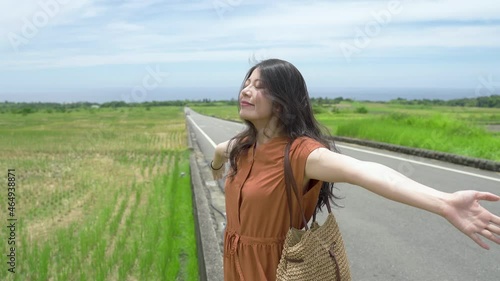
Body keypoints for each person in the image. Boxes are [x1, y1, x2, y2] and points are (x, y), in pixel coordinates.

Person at [210, 58, 500, 281]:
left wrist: (444, 203)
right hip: (235, 262)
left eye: (260, 86)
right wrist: (216, 163)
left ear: (281, 103)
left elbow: (366, 171)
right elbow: (221, 149)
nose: (246, 90)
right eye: (247, 83)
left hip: (277, 268)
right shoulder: (244, 145)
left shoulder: (301, 154)